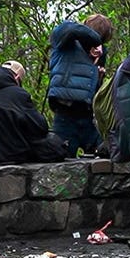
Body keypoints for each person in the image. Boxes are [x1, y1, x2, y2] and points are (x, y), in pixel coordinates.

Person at [48, 13, 110, 156]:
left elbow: (92, 89)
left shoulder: (100, 53)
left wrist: (99, 78)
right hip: (65, 113)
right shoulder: (67, 40)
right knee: (62, 157)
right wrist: (94, 41)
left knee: (104, 154)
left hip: (88, 115)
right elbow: (68, 29)